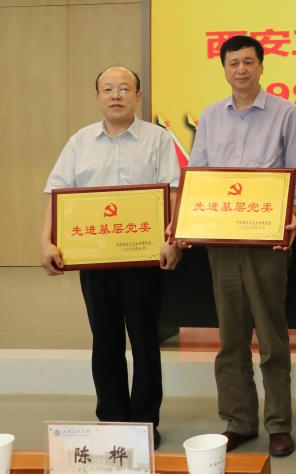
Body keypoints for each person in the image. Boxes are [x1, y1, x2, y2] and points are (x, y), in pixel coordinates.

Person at [41, 66, 182, 449]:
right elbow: (57, 194)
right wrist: (45, 241)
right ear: (98, 96)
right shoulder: (80, 141)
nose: (116, 95)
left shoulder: (158, 139)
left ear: (138, 96)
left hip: (143, 259)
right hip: (95, 258)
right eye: (108, 89)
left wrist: (172, 239)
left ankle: (145, 422)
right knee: (104, 338)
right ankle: (112, 419)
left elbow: (172, 193)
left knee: (144, 339)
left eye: (124, 88)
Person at [187, 35, 296, 457]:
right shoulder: (210, 115)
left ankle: (279, 425)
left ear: (261, 66)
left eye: (248, 62)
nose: (241, 69)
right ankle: (238, 420)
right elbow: (198, 172)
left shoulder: (286, 112)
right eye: (233, 62)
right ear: (224, 68)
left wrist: (293, 212)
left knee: (271, 337)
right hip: (222, 239)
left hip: (266, 240)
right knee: (231, 336)